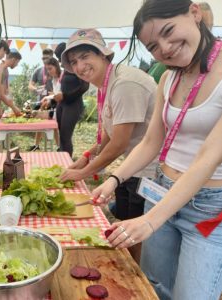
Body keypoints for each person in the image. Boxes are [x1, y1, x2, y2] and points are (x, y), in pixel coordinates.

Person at [90, 1, 222, 299]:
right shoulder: (169, 77)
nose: (165, 47)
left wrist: (150, 220)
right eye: (153, 46)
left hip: (209, 209)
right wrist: (114, 179)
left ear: (194, 13)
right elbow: (152, 142)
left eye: (169, 30)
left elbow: (208, 157)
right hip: (161, 189)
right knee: (152, 286)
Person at [60, 28, 157, 262]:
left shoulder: (125, 84)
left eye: (85, 57)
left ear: (103, 55)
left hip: (152, 170)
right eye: (74, 62)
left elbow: (119, 143)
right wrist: (86, 156)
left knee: (133, 231)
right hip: (133, 167)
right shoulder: (106, 84)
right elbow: (109, 136)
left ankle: (137, 275)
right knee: (122, 219)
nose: (80, 66)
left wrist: (83, 173)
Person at [53, 42, 89, 156]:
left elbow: (84, 86)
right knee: (61, 135)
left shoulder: (77, 67)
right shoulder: (66, 69)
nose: (59, 61)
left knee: (66, 136)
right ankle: (63, 157)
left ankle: (67, 163)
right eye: (58, 58)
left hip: (73, 105)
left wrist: (65, 96)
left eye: (60, 57)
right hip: (62, 104)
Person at [28, 48, 54, 151]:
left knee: (54, 125)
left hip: (53, 101)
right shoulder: (38, 71)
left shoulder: (56, 70)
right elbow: (30, 85)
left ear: (52, 58)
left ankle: (57, 146)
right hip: (41, 101)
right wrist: (36, 89)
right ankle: (36, 145)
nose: (44, 60)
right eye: (43, 58)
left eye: (47, 58)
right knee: (39, 123)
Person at [0, 49, 22, 117]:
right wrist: (14, 108)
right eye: (17, 62)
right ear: (13, 59)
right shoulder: (1, 69)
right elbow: (1, 94)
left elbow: (6, 91)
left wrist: (12, 104)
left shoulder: (5, 70)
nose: (17, 65)